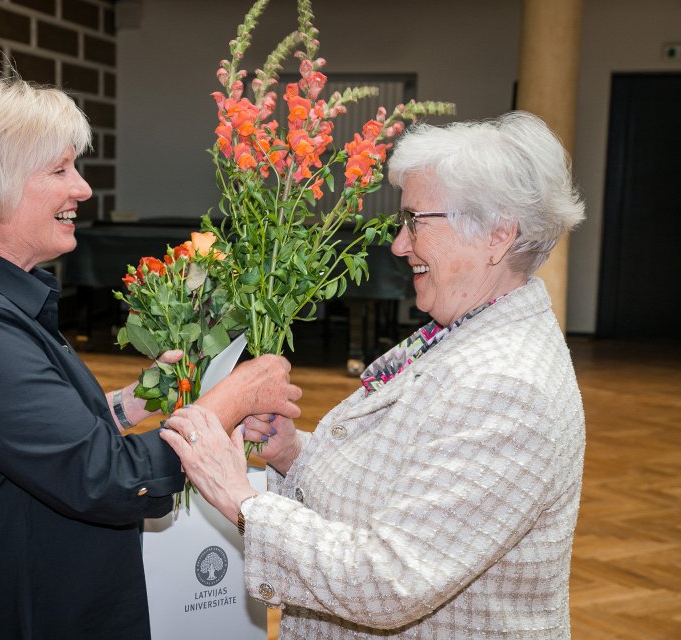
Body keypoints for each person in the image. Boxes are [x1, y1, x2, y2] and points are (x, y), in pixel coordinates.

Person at [0, 75, 302, 639]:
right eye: (59, 170)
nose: (81, 189)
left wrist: (136, 400)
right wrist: (233, 399)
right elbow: (107, 479)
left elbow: (28, 434)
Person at [161, 111, 586, 638]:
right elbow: (414, 470)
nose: (399, 244)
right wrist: (295, 457)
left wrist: (239, 498)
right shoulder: (466, 329)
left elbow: (390, 581)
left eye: (416, 221)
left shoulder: (506, 386)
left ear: (497, 235)